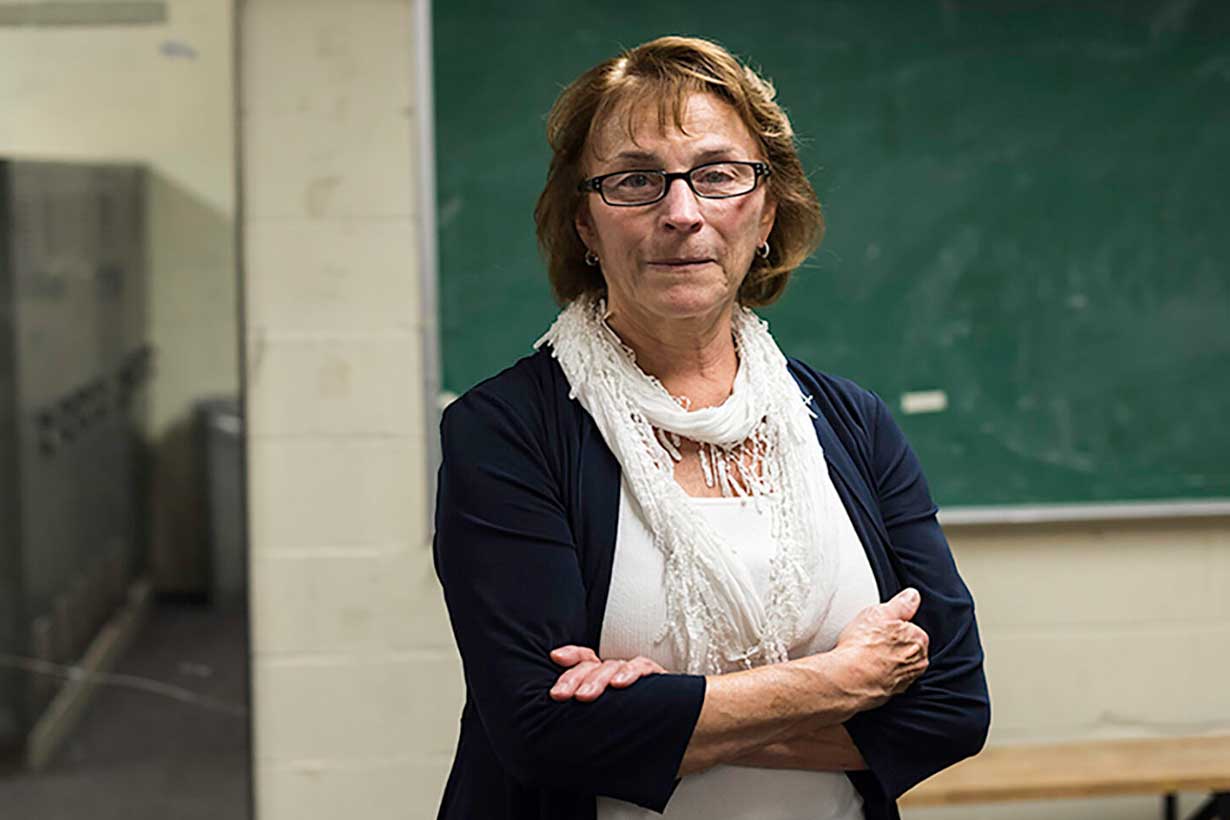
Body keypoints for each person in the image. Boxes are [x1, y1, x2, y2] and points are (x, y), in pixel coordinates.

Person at [433, 35, 989, 820]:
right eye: (634, 181)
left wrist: (664, 716)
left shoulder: (850, 423)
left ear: (766, 212)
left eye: (719, 175)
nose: (683, 213)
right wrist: (838, 685)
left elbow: (952, 712)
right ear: (585, 227)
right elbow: (543, 736)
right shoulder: (506, 432)